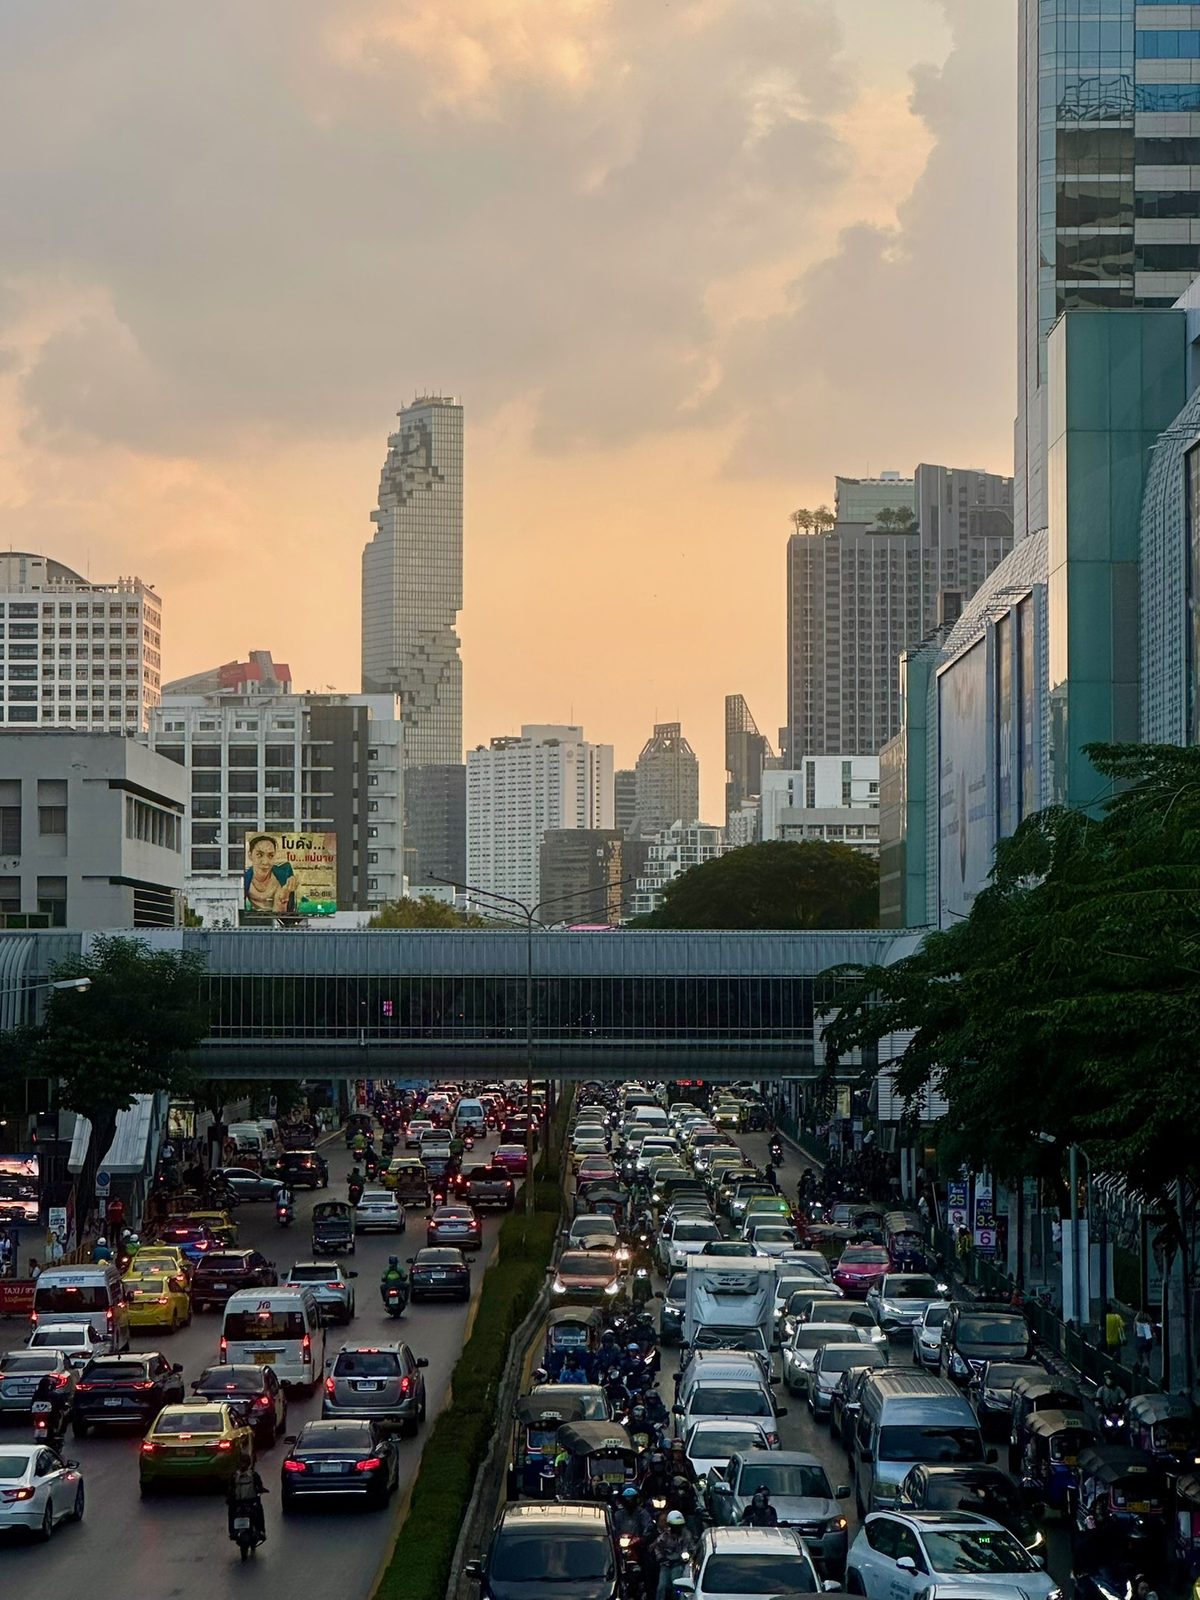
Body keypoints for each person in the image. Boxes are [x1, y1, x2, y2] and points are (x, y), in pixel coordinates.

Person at [243, 834, 297, 915]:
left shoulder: (284, 877)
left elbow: (284, 913)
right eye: (259, 855)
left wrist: (283, 897)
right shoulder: (245, 879)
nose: (265, 862)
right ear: (250, 855)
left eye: (271, 855)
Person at [651, 1510, 696, 1600]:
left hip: (679, 1564)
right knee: (662, 1587)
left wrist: (687, 1556)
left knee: (677, 1586)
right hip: (666, 1565)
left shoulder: (687, 1535)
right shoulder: (664, 1535)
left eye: (679, 1526)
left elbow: (692, 1548)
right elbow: (657, 1547)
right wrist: (660, 1558)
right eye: (675, 1526)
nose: (677, 1528)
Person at [226, 1460, 267, 1543]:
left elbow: (230, 1488)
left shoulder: (235, 1475)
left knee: (232, 1513)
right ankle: (261, 1531)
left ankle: (233, 1532)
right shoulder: (252, 1474)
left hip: (240, 1502)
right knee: (258, 1512)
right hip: (248, 1501)